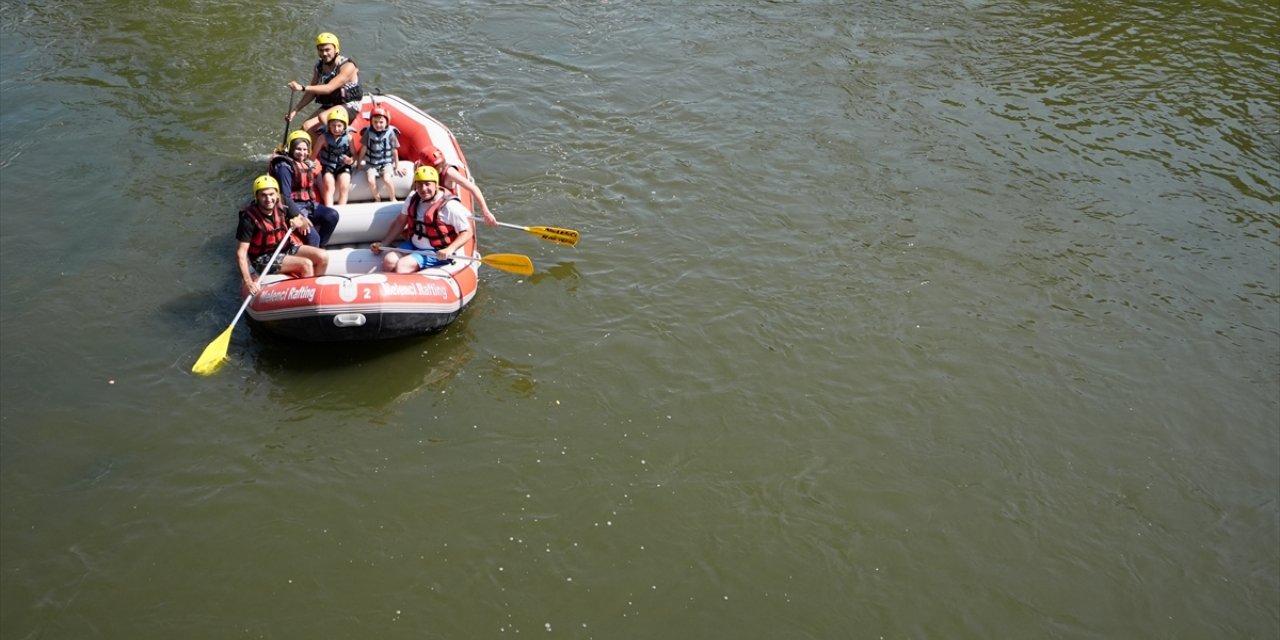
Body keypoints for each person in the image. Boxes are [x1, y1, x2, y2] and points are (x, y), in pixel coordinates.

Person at [235, 175, 328, 295]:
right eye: (263, 195)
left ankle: (316, 291)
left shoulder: (284, 203)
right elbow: (240, 253)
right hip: (262, 258)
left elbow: (304, 222)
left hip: (286, 247)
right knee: (305, 264)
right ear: (257, 197)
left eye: (271, 194)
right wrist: (248, 281)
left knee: (323, 256)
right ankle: (307, 298)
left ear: (277, 194)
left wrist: (299, 222)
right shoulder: (248, 218)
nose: (268, 199)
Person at [370, 166, 473, 273]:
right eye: (419, 184)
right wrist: (384, 243)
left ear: (436, 185)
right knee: (389, 260)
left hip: (436, 251)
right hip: (414, 245)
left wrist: (449, 249)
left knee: (403, 265)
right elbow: (400, 222)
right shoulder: (413, 198)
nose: (423, 189)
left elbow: (467, 232)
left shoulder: (449, 206)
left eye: (427, 184)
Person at [268, 129, 341, 247]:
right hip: (293, 207)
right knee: (314, 238)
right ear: (291, 148)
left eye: (305, 149)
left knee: (332, 215)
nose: (302, 153)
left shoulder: (306, 163)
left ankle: (319, 248)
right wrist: (300, 217)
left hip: (310, 204)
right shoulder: (284, 167)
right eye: (298, 149)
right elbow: (285, 197)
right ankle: (314, 253)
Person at [285, 32, 363, 134]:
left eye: (327, 50)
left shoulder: (348, 66)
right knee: (305, 127)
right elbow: (312, 92)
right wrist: (295, 111)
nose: (324, 54)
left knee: (323, 117)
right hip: (332, 104)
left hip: (349, 105)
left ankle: (342, 140)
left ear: (336, 49)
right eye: (321, 50)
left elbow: (329, 88)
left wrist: (302, 87)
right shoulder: (319, 66)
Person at [418, 145, 498, 227]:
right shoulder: (420, 168)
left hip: (444, 205)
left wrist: (486, 212)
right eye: (436, 167)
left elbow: (473, 188)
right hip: (428, 201)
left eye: (440, 165)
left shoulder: (449, 173)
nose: (439, 168)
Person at [355, 107, 405, 202]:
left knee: (387, 179)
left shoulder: (390, 133)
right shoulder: (368, 133)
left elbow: (394, 150)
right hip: (371, 163)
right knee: (370, 180)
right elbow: (364, 148)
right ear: (371, 123)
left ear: (386, 122)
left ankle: (393, 198)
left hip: (386, 163)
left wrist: (397, 165)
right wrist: (359, 163)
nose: (378, 125)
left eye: (381, 122)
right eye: (375, 122)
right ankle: (377, 199)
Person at [313, 108, 354, 206]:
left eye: (339, 126)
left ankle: (341, 210)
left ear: (344, 126)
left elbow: (354, 155)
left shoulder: (349, 138)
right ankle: (329, 210)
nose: (336, 129)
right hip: (328, 166)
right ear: (329, 126)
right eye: (333, 125)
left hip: (343, 165)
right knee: (328, 186)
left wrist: (350, 160)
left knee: (344, 186)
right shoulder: (323, 138)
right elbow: (314, 154)